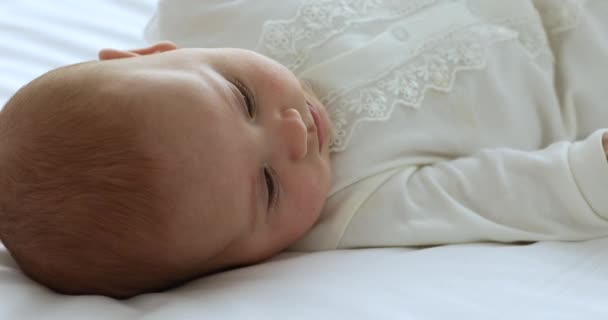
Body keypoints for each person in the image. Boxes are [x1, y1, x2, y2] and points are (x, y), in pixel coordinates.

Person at [3, 0, 608, 299]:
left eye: (240, 98)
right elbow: (507, 194)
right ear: (235, 265)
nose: (292, 132)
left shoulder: (205, 12)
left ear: (154, 54)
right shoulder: (350, 210)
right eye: (267, 186)